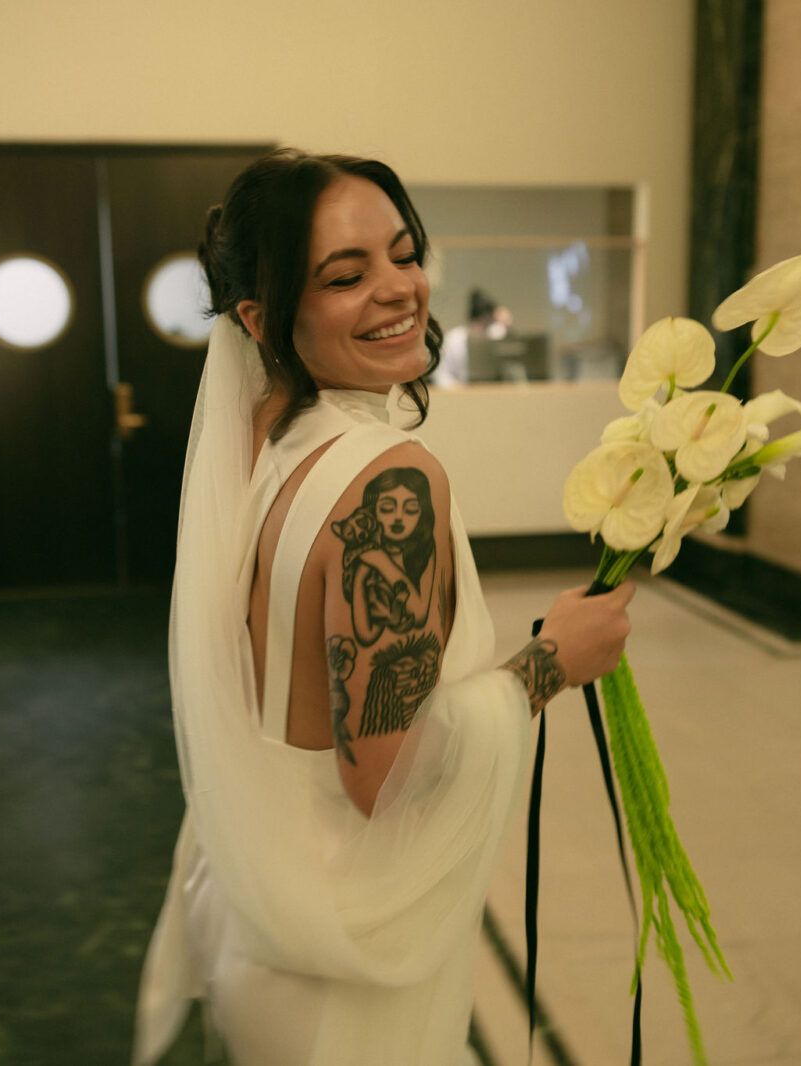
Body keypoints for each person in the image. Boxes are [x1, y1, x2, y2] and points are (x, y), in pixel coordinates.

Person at [134, 149, 633, 1066]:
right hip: (337, 957)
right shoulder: (387, 479)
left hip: (250, 903)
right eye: (344, 275)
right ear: (262, 317)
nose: (399, 288)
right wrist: (555, 659)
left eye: (404, 255)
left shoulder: (260, 436)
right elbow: (386, 774)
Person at [431, 288, 511, 387]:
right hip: (461, 390)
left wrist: (506, 321)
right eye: (480, 324)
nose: (482, 329)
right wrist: (458, 387)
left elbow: (514, 346)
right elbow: (441, 375)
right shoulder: (454, 339)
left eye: (487, 324)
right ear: (471, 321)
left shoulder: (493, 335)